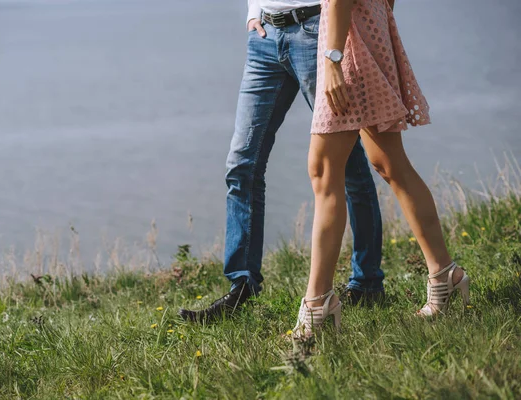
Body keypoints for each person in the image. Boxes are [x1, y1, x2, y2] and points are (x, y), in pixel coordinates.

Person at [179, 0, 385, 323]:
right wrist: (252, 13)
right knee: (241, 163)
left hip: (316, 31)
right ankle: (242, 286)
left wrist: (336, 51)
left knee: (346, 161)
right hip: (264, 39)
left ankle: (367, 281)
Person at [291, 0, 470, 337]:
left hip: (348, 48)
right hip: (367, 34)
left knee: (323, 171)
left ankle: (317, 306)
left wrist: (333, 59)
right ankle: (445, 274)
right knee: (390, 164)